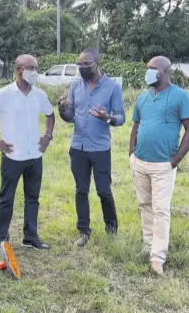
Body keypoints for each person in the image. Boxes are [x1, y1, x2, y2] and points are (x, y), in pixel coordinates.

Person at [0, 54, 55, 250]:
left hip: (35, 156)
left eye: (36, 68)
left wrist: (48, 136)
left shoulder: (40, 95)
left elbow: (50, 114)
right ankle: (3, 239)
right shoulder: (4, 94)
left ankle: (30, 237)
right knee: (6, 199)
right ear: (19, 70)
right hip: (13, 156)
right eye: (31, 68)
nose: (35, 72)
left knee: (33, 198)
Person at [129, 56, 189, 274]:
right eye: (147, 68)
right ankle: (148, 245)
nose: (149, 72)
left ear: (166, 72)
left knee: (160, 210)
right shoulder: (143, 97)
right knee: (145, 205)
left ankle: (157, 258)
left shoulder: (180, 97)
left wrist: (175, 160)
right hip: (140, 162)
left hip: (163, 165)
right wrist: (132, 153)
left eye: (153, 69)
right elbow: (135, 126)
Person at [58, 48, 125, 247]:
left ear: (97, 64)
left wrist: (108, 118)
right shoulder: (76, 85)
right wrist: (62, 111)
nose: (82, 68)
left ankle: (111, 229)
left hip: (100, 148)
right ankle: (84, 232)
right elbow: (70, 117)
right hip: (78, 147)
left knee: (104, 191)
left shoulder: (112, 87)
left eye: (86, 64)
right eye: (79, 64)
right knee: (81, 190)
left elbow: (121, 117)